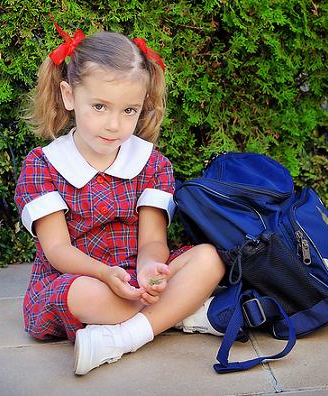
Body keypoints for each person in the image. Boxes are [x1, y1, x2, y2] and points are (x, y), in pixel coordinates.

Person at [14, 20, 225, 376]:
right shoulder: (44, 165)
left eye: (129, 110)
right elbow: (58, 251)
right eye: (99, 107)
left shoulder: (151, 163)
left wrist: (147, 269)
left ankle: (122, 337)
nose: (114, 124)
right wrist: (104, 274)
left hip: (134, 279)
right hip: (82, 277)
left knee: (210, 258)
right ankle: (176, 313)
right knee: (86, 295)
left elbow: (153, 240)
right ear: (69, 96)